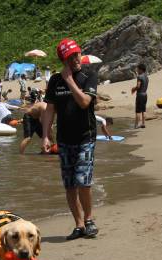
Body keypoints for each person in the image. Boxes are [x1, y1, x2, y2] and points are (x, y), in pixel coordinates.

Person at [42, 38, 99, 240]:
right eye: (70, 56)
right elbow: (49, 109)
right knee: (69, 184)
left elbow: (84, 102)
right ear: (63, 59)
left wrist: (69, 80)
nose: (75, 59)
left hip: (85, 136)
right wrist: (46, 135)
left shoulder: (89, 75)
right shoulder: (54, 81)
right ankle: (79, 224)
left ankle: (89, 220)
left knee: (83, 181)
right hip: (64, 139)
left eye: (77, 54)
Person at [131, 63, 148, 128]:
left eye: (138, 69)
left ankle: (136, 125)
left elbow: (138, 86)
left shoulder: (139, 76)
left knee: (138, 111)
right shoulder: (146, 77)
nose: (137, 70)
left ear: (141, 69)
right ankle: (143, 123)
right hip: (145, 94)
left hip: (140, 95)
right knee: (143, 110)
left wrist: (133, 89)